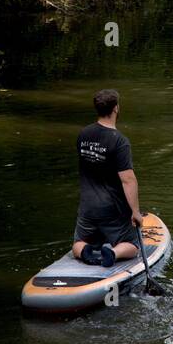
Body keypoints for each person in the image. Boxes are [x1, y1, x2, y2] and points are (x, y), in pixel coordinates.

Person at [73, 88, 144, 266]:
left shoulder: (83, 134)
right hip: (113, 210)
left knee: (78, 243)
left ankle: (84, 252)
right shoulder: (119, 141)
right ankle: (112, 252)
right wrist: (135, 212)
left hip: (87, 208)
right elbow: (128, 179)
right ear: (116, 108)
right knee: (132, 246)